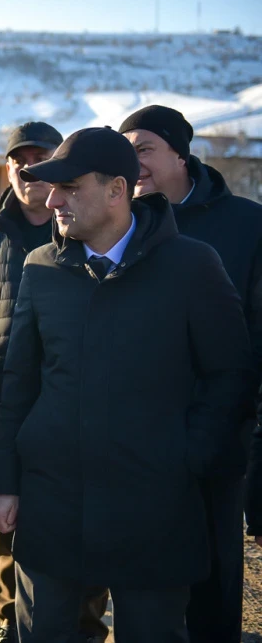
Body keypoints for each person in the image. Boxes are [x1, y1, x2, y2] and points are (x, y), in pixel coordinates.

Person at [0, 127, 253, 642]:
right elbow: (19, 383)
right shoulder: (41, 268)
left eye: (70, 187)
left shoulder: (191, 265)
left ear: (117, 190)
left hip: (154, 505)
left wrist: (188, 457)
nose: (53, 200)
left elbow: (229, 377)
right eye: (53, 188)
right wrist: (6, 481)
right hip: (52, 501)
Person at [0, 122, 110, 643]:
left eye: (39, 160)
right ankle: (10, 617)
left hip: (70, 405)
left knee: (81, 516)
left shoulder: (80, 227)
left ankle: (84, 621)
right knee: (8, 515)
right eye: (18, 161)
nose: (27, 169)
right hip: (3, 404)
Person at [118, 105, 262, 643]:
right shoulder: (120, 224)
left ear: (181, 154)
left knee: (214, 579)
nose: (133, 163)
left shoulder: (247, 224)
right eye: (125, 152)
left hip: (219, 433)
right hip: (136, 437)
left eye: (144, 149)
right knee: (140, 581)